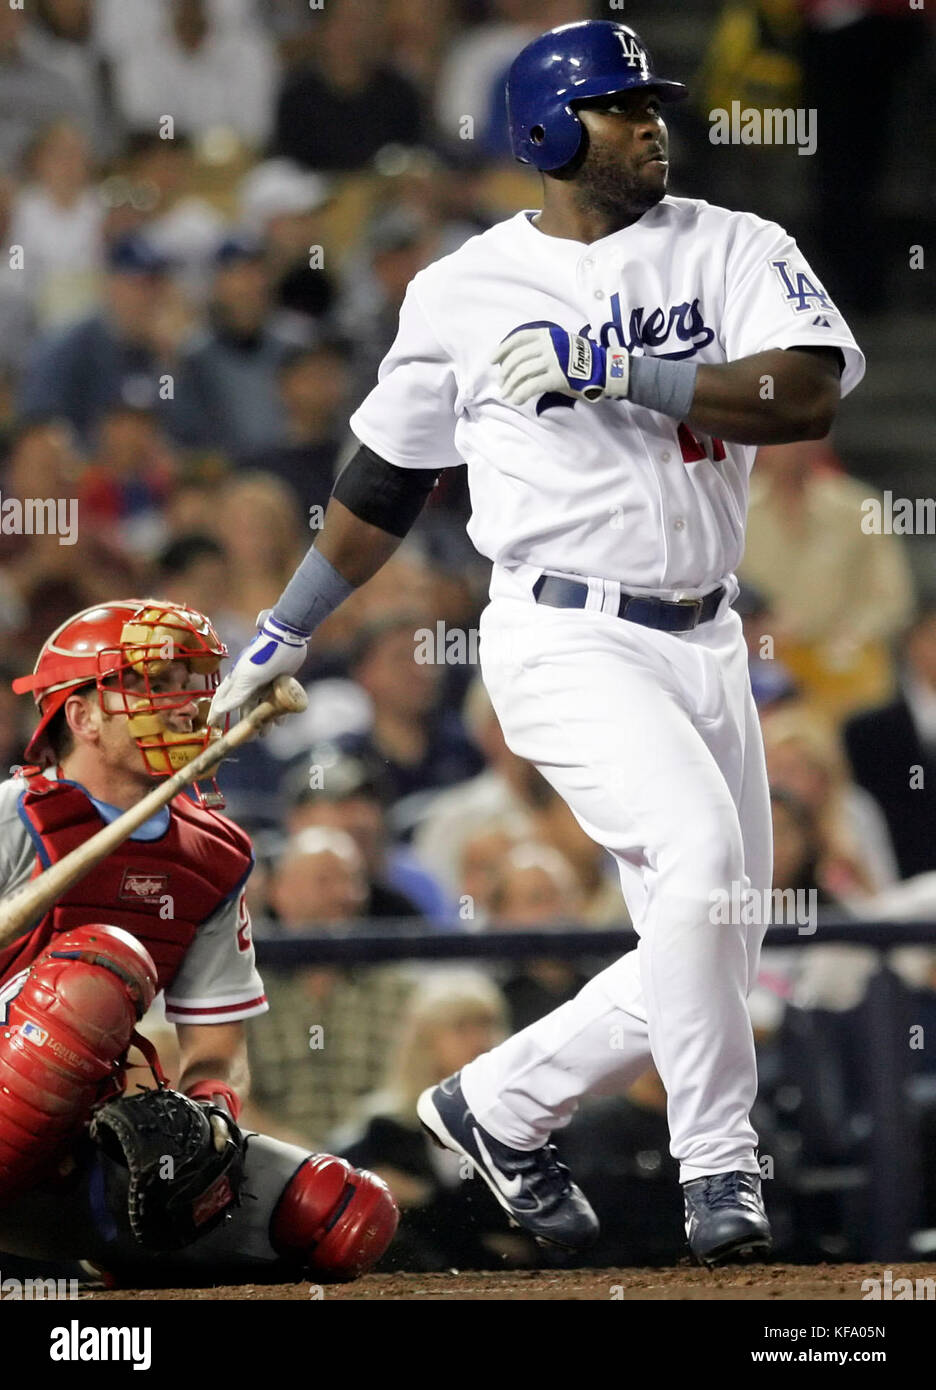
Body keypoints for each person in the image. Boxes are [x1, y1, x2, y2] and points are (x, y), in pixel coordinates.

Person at [209, 20, 865, 1267]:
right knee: (699, 852)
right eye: (619, 106)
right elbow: (385, 479)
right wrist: (286, 624)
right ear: (549, 132)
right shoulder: (462, 288)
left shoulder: (733, 243)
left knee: (718, 918)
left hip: (708, 632)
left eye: (648, 103)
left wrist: (625, 370)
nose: (647, 123)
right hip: (564, 630)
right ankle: (720, 1167)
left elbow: (810, 391)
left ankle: (496, 1103)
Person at [0, 600, 396, 1285]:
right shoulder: (12, 817)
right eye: (157, 682)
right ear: (82, 714)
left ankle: (122, 1249)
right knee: (98, 973)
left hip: (88, 1141)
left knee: (342, 1212)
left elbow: (218, 1042)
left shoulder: (214, 853)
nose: (187, 704)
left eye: (195, 679)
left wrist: (205, 1116)